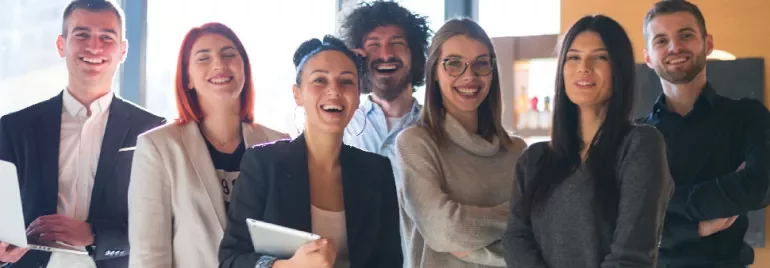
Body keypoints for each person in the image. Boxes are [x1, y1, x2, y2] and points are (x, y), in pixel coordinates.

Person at [0, 0, 165, 267]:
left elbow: (162, 224)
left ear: (123, 50)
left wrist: (94, 234)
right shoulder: (14, 127)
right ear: (60, 45)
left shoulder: (153, 130)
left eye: (106, 37)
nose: (94, 47)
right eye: (82, 35)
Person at [502, 14, 674, 268]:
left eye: (600, 57)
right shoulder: (534, 159)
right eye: (573, 57)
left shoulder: (640, 145)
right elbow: (516, 240)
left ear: (619, 69)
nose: (584, 67)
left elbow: (631, 256)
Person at [218, 35, 402, 268]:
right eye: (319, 80)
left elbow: (389, 262)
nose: (334, 90)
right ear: (298, 94)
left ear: (357, 96)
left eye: (346, 81)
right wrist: (288, 266)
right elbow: (230, 260)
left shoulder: (377, 171)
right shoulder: (263, 163)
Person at [126, 22, 288, 268]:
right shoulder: (158, 148)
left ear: (244, 68)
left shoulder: (280, 144)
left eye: (229, 54)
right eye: (203, 58)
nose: (219, 65)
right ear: (187, 78)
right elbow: (149, 255)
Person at [638, 1, 770, 267]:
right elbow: (629, 222)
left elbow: (760, 186)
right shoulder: (636, 136)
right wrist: (698, 227)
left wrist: (662, 200)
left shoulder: (748, 116)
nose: (675, 47)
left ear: (707, 43)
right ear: (649, 57)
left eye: (685, 35)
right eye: (661, 40)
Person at [394, 18, 528, 268]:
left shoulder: (517, 152)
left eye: (481, 64)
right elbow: (446, 231)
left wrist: (471, 247)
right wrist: (519, 216)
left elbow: (538, 236)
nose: (470, 76)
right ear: (434, 71)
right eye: (454, 64)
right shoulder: (416, 144)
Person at [338, 1, 430, 178]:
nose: (386, 54)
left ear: (414, 54)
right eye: (374, 45)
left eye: (396, 43)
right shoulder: (342, 123)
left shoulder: (436, 127)